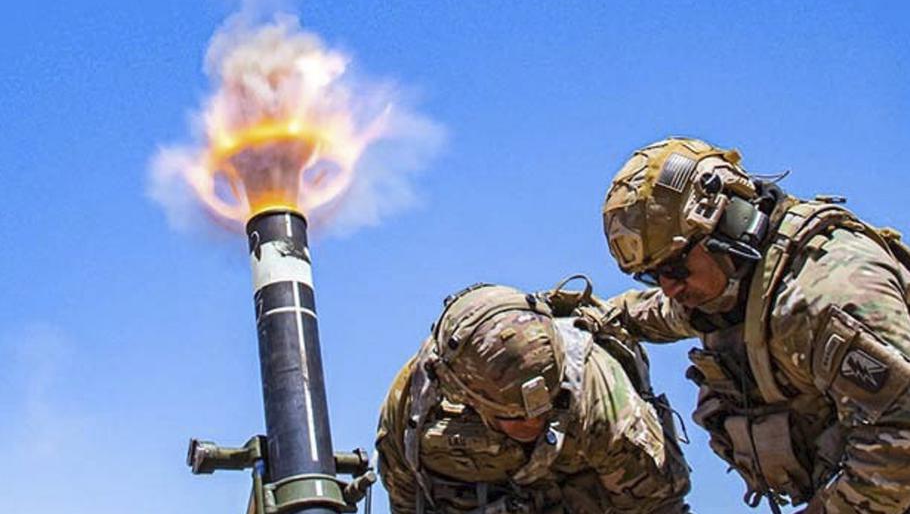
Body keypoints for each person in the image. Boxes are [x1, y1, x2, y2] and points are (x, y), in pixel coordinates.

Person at [597, 137, 910, 513]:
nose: (669, 288)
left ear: (727, 224)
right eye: (651, 277)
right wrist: (572, 313)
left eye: (674, 268)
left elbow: (901, 441)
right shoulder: (723, 291)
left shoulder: (824, 294)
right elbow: (653, 313)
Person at [375, 279, 692, 514]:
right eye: (515, 415)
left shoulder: (599, 393)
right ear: (465, 396)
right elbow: (405, 496)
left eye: (547, 407)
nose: (535, 422)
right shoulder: (416, 406)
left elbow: (656, 503)